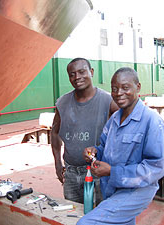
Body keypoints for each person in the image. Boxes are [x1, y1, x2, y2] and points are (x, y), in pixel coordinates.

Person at [78, 67, 164, 225]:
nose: (119, 93)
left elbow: (157, 167)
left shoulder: (151, 121)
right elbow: (104, 148)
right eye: (114, 89)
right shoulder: (114, 119)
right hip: (112, 187)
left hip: (136, 190)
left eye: (125, 87)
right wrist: (94, 152)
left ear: (138, 87)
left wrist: (112, 171)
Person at [51, 57, 118, 204]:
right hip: (70, 173)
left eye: (82, 72)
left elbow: (127, 127)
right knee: (75, 215)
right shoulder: (62, 103)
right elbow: (55, 132)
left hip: (97, 172)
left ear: (91, 72)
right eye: (72, 74)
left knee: (101, 216)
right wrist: (57, 163)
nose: (77, 77)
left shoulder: (107, 101)